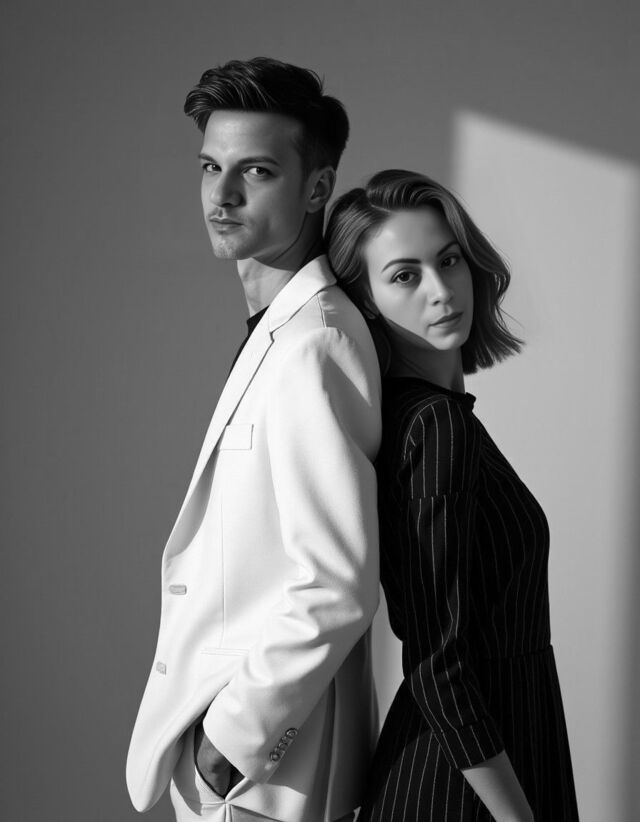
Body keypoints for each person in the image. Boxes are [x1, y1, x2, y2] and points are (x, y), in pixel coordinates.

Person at [126, 58, 382, 822]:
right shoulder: (282, 333)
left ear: (317, 187)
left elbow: (337, 581)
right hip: (240, 766)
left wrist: (229, 746)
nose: (222, 195)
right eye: (211, 168)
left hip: (265, 778)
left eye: (256, 171)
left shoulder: (315, 343)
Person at [325, 169, 579, 821]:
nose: (441, 291)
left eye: (448, 260)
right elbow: (437, 660)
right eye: (404, 276)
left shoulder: (430, 418)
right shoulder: (436, 427)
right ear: (366, 300)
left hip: (492, 754)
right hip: (463, 783)